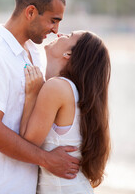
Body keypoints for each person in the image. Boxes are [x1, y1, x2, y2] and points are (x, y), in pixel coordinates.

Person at [0, 0, 80, 194]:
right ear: (30, 12)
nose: (56, 30)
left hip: (26, 186)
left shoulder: (34, 52)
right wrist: (48, 160)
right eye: (53, 20)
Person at [20, 30, 111, 193]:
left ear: (68, 53)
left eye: (68, 36)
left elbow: (26, 145)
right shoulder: (71, 91)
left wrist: (31, 96)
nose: (60, 34)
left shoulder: (57, 87)